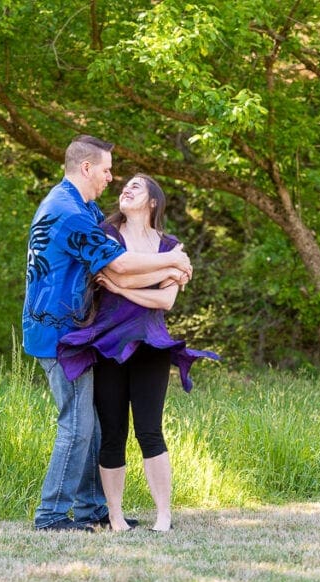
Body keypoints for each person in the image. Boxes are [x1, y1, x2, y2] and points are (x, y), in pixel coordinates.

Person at [24, 136, 193, 532]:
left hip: (76, 332)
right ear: (87, 168)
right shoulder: (70, 213)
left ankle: (91, 510)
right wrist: (173, 262)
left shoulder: (82, 207)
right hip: (59, 334)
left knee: (96, 427)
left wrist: (168, 270)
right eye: (106, 170)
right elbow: (115, 268)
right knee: (78, 426)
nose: (111, 177)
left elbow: (123, 271)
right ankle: (51, 515)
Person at [57, 174, 219, 532]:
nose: (125, 189)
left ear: (152, 202)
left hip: (151, 344)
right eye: (124, 185)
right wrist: (152, 272)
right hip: (108, 345)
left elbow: (165, 300)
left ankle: (164, 516)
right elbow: (120, 271)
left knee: (150, 430)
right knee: (113, 432)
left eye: (136, 186)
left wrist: (118, 286)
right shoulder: (107, 235)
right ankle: (115, 517)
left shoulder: (170, 244)